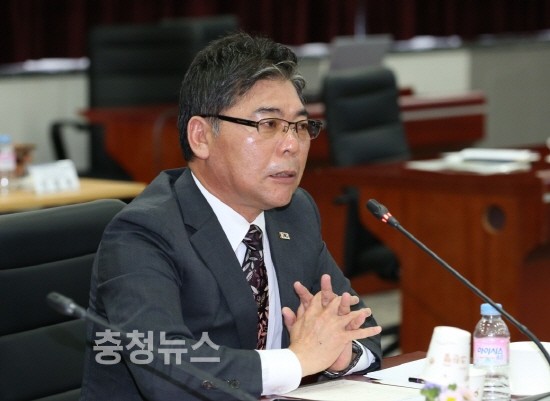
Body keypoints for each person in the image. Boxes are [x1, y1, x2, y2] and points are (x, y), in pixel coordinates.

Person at [79, 32, 382, 401]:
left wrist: (339, 354)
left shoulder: (294, 212)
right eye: (268, 125)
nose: (292, 144)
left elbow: (363, 327)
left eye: (301, 126)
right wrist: (297, 361)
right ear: (201, 137)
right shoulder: (143, 233)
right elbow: (165, 370)